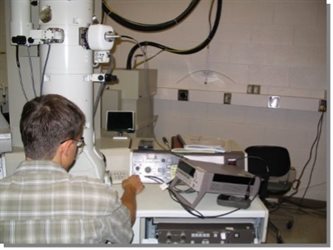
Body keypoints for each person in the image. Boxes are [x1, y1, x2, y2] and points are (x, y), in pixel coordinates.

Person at [0, 94, 144, 244]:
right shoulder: (98, 197)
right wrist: (130, 189)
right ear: (67, 148)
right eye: (78, 142)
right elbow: (125, 227)